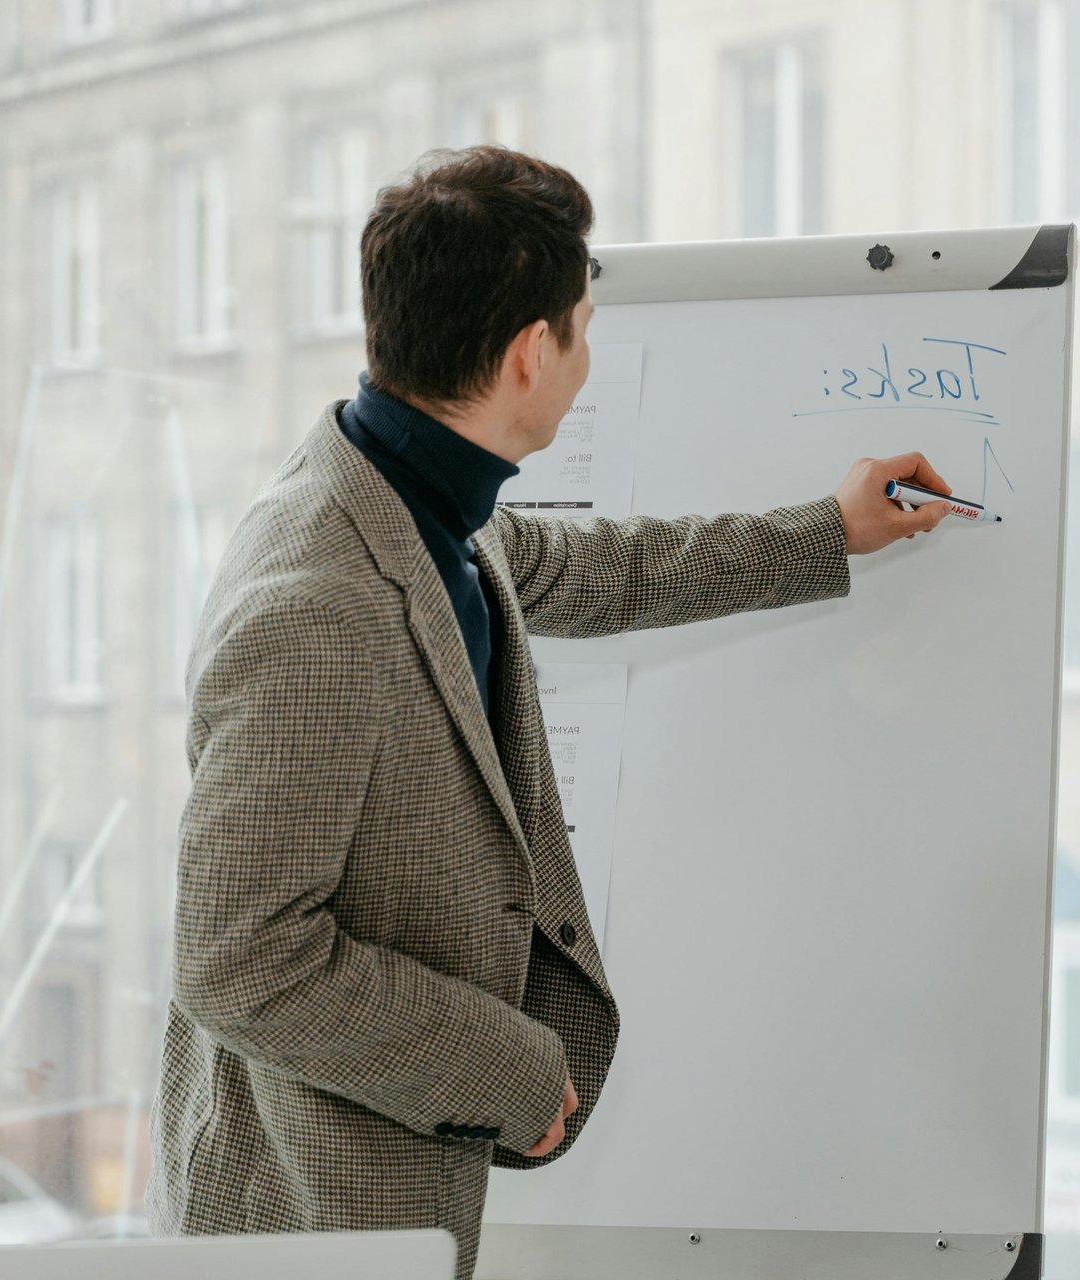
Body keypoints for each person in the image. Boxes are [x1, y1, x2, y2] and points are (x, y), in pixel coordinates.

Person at [144, 147, 953, 1275]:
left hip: (375, 1201)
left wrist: (829, 527)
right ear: (533, 353)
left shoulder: (420, 503)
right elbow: (239, 958)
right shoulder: (319, 604)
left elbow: (601, 570)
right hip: (311, 1221)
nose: (586, 352)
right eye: (582, 325)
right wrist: (505, 1068)